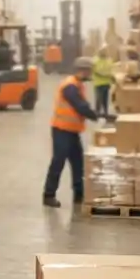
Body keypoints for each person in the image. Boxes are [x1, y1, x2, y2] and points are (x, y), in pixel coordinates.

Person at [42, 58, 100, 208]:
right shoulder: (70, 86)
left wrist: (95, 113)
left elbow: (83, 105)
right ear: (83, 70)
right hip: (61, 129)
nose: (90, 74)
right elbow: (80, 106)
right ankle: (49, 195)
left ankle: (79, 194)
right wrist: (95, 115)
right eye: (89, 71)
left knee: (78, 162)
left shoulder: (77, 85)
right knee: (58, 161)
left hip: (72, 131)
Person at [93, 46, 115, 118]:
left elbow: (111, 70)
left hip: (106, 83)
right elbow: (95, 71)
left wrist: (112, 78)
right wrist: (104, 75)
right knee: (99, 98)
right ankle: (97, 112)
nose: (104, 53)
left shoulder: (109, 60)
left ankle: (105, 112)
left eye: (105, 51)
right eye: (102, 51)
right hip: (98, 83)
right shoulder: (95, 60)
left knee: (105, 99)